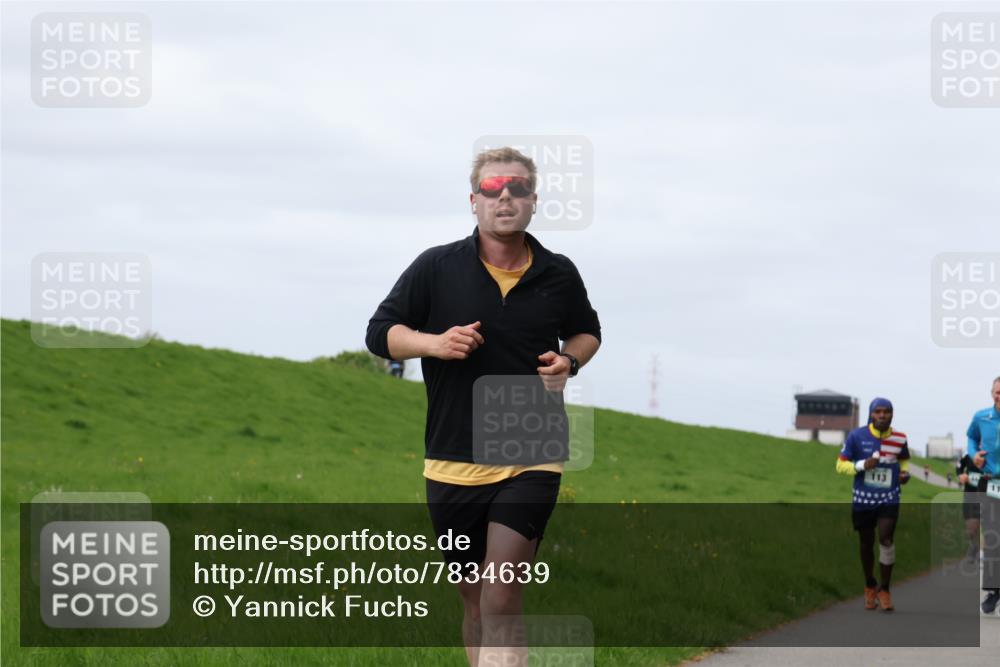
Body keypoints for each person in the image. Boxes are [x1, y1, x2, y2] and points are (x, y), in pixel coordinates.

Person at [365, 146, 602, 666]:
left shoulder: (558, 273)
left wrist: (570, 361)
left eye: (517, 189)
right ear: (473, 201)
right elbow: (379, 334)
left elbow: (587, 332)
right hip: (452, 456)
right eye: (493, 190)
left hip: (531, 452)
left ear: (534, 201)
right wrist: (433, 343)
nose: (505, 198)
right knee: (473, 601)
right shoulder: (435, 267)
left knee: (501, 594)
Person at [836, 397, 911, 612]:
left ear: (892, 414)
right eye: (877, 411)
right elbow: (840, 465)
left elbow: (904, 459)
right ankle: (870, 584)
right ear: (871, 414)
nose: (882, 415)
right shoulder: (857, 437)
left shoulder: (900, 438)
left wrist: (904, 473)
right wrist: (861, 465)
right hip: (863, 499)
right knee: (866, 544)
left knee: (886, 539)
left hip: (890, 497)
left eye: (886, 411)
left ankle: (885, 589)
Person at [966, 375, 1000, 615]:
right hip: (990, 484)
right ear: (992, 393)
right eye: (998, 392)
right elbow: (970, 437)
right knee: (991, 538)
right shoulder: (981, 417)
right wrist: (973, 455)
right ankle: (993, 591)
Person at [956, 451, 983, 562]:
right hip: (971, 493)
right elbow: (959, 465)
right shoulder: (968, 453)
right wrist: (960, 475)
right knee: (971, 528)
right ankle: (974, 546)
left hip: (991, 492)